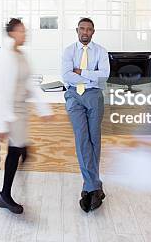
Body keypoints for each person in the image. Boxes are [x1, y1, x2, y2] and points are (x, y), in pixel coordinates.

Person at [0, 18, 52, 214]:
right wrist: (1, 125)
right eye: (21, 31)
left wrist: (44, 109)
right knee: (15, 151)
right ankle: (4, 196)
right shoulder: (4, 58)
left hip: (21, 110)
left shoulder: (21, 55)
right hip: (11, 112)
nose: (25, 34)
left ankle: (21, 161)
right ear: (12, 33)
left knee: (22, 149)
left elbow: (29, 84)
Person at [61, 17, 110, 212]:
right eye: (82, 28)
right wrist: (92, 74)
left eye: (89, 29)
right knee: (82, 139)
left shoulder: (101, 51)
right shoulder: (68, 51)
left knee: (94, 140)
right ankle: (93, 186)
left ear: (93, 32)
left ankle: (89, 187)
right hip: (74, 95)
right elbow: (66, 76)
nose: (85, 32)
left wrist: (80, 70)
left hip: (94, 95)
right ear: (77, 30)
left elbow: (104, 75)